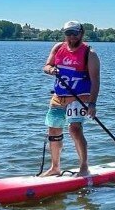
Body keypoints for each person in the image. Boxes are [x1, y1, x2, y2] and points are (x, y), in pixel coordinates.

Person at [42, 20, 100, 177]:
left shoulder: (90, 53)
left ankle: (84, 167)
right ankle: (55, 167)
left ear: (81, 33)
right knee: (53, 130)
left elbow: (95, 81)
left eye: (75, 33)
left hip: (78, 97)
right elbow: (46, 66)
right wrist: (51, 69)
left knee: (74, 129)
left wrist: (92, 104)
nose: (72, 37)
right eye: (68, 33)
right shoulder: (58, 48)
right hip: (58, 97)